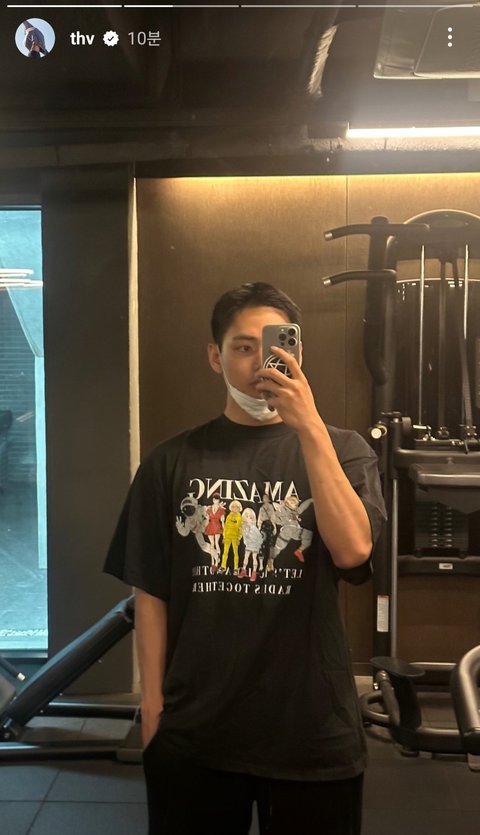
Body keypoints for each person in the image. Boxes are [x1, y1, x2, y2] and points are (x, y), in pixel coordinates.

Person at [104, 282, 386, 835]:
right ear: (216, 357)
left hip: (311, 729)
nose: (261, 363)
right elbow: (151, 594)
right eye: (242, 347)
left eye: (276, 345)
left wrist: (308, 427)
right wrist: (154, 713)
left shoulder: (345, 451)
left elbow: (353, 550)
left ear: (298, 351)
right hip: (196, 732)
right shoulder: (170, 462)